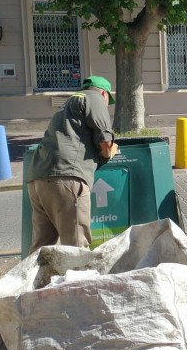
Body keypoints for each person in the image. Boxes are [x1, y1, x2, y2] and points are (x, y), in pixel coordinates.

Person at [26, 76, 119, 255]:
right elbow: (105, 143)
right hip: (67, 176)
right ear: (103, 93)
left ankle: (35, 282)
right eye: (108, 99)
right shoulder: (94, 98)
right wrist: (111, 151)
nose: (107, 104)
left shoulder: (69, 103)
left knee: (42, 249)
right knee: (76, 245)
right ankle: (80, 282)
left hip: (38, 177)